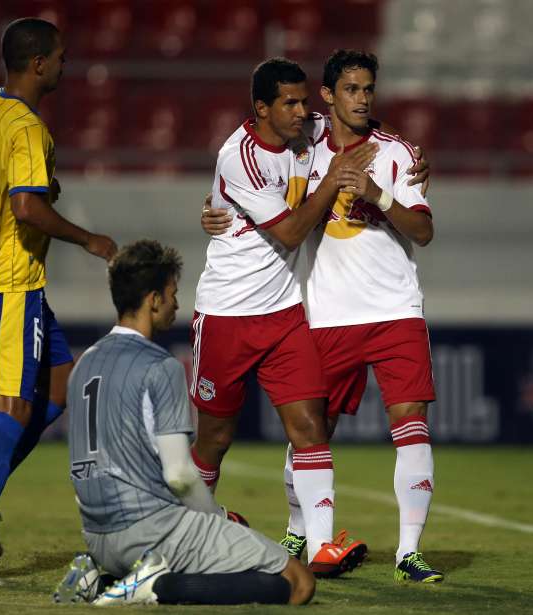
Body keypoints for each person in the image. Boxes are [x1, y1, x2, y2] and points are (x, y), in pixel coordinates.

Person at [202, 49, 443, 583]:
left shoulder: (397, 153)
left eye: (369, 90)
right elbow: (255, 176)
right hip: (327, 311)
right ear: (328, 97)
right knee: (313, 430)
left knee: (411, 422)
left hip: (395, 309)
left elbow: (423, 232)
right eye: (351, 90)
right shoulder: (302, 139)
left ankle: (409, 552)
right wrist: (218, 210)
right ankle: (300, 528)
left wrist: (378, 194)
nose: (362, 99)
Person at [0, 17, 117, 586]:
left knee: (60, 384)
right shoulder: (27, 128)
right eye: (61, 57)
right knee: (11, 407)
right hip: (8, 283)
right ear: (38, 64)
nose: (65, 65)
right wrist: (90, 240)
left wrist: (4, 180)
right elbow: (28, 209)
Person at [189, 57, 379, 578]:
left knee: (309, 426)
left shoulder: (307, 130)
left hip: (285, 314)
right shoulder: (240, 157)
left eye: (304, 101)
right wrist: (334, 179)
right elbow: (292, 232)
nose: (303, 112)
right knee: (215, 438)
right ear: (261, 109)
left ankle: (320, 547)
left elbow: (354, 121)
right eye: (290, 104)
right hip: (227, 314)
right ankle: (190, 526)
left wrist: (410, 154)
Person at [53, 239, 315, 607]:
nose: (177, 303)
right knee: (298, 582)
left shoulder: (85, 364)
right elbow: (179, 474)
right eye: (173, 293)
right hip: (151, 529)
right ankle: (152, 589)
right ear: (153, 299)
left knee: (223, 564)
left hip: (97, 536)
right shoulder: (160, 367)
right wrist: (218, 519)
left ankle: (101, 578)